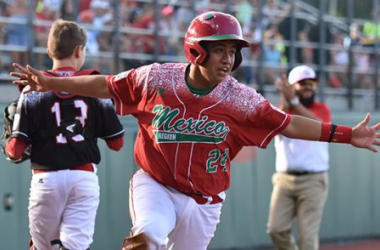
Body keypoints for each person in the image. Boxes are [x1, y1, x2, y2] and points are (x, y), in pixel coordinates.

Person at [10, 11, 380, 250]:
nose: (229, 59)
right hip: (155, 183)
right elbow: (105, 85)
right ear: (196, 51)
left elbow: (289, 123)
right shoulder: (156, 78)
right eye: (219, 50)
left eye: (233, 52)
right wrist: (48, 81)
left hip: (206, 200)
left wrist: (349, 135)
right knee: (148, 237)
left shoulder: (241, 99)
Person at [5, 19, 125, 250]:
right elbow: (118, 143)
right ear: (80, 50)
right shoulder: (95, 87)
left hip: (46, 179)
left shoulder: (31, 90)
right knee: (74, 247)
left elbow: (14, 151)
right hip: (83, 178)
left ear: (49, 50)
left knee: (43, 248)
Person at [267, 65, 331, 250]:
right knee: (275, 229)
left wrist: (294, 102)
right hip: (284, 180)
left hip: (313, 181)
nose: (309, 87)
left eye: (312, 83)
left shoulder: (322, 109)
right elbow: (277, 122)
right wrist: (287, 101)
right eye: (303, 83)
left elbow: (320, 127)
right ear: (292, 87)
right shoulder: (281, 111)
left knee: (308, 237)